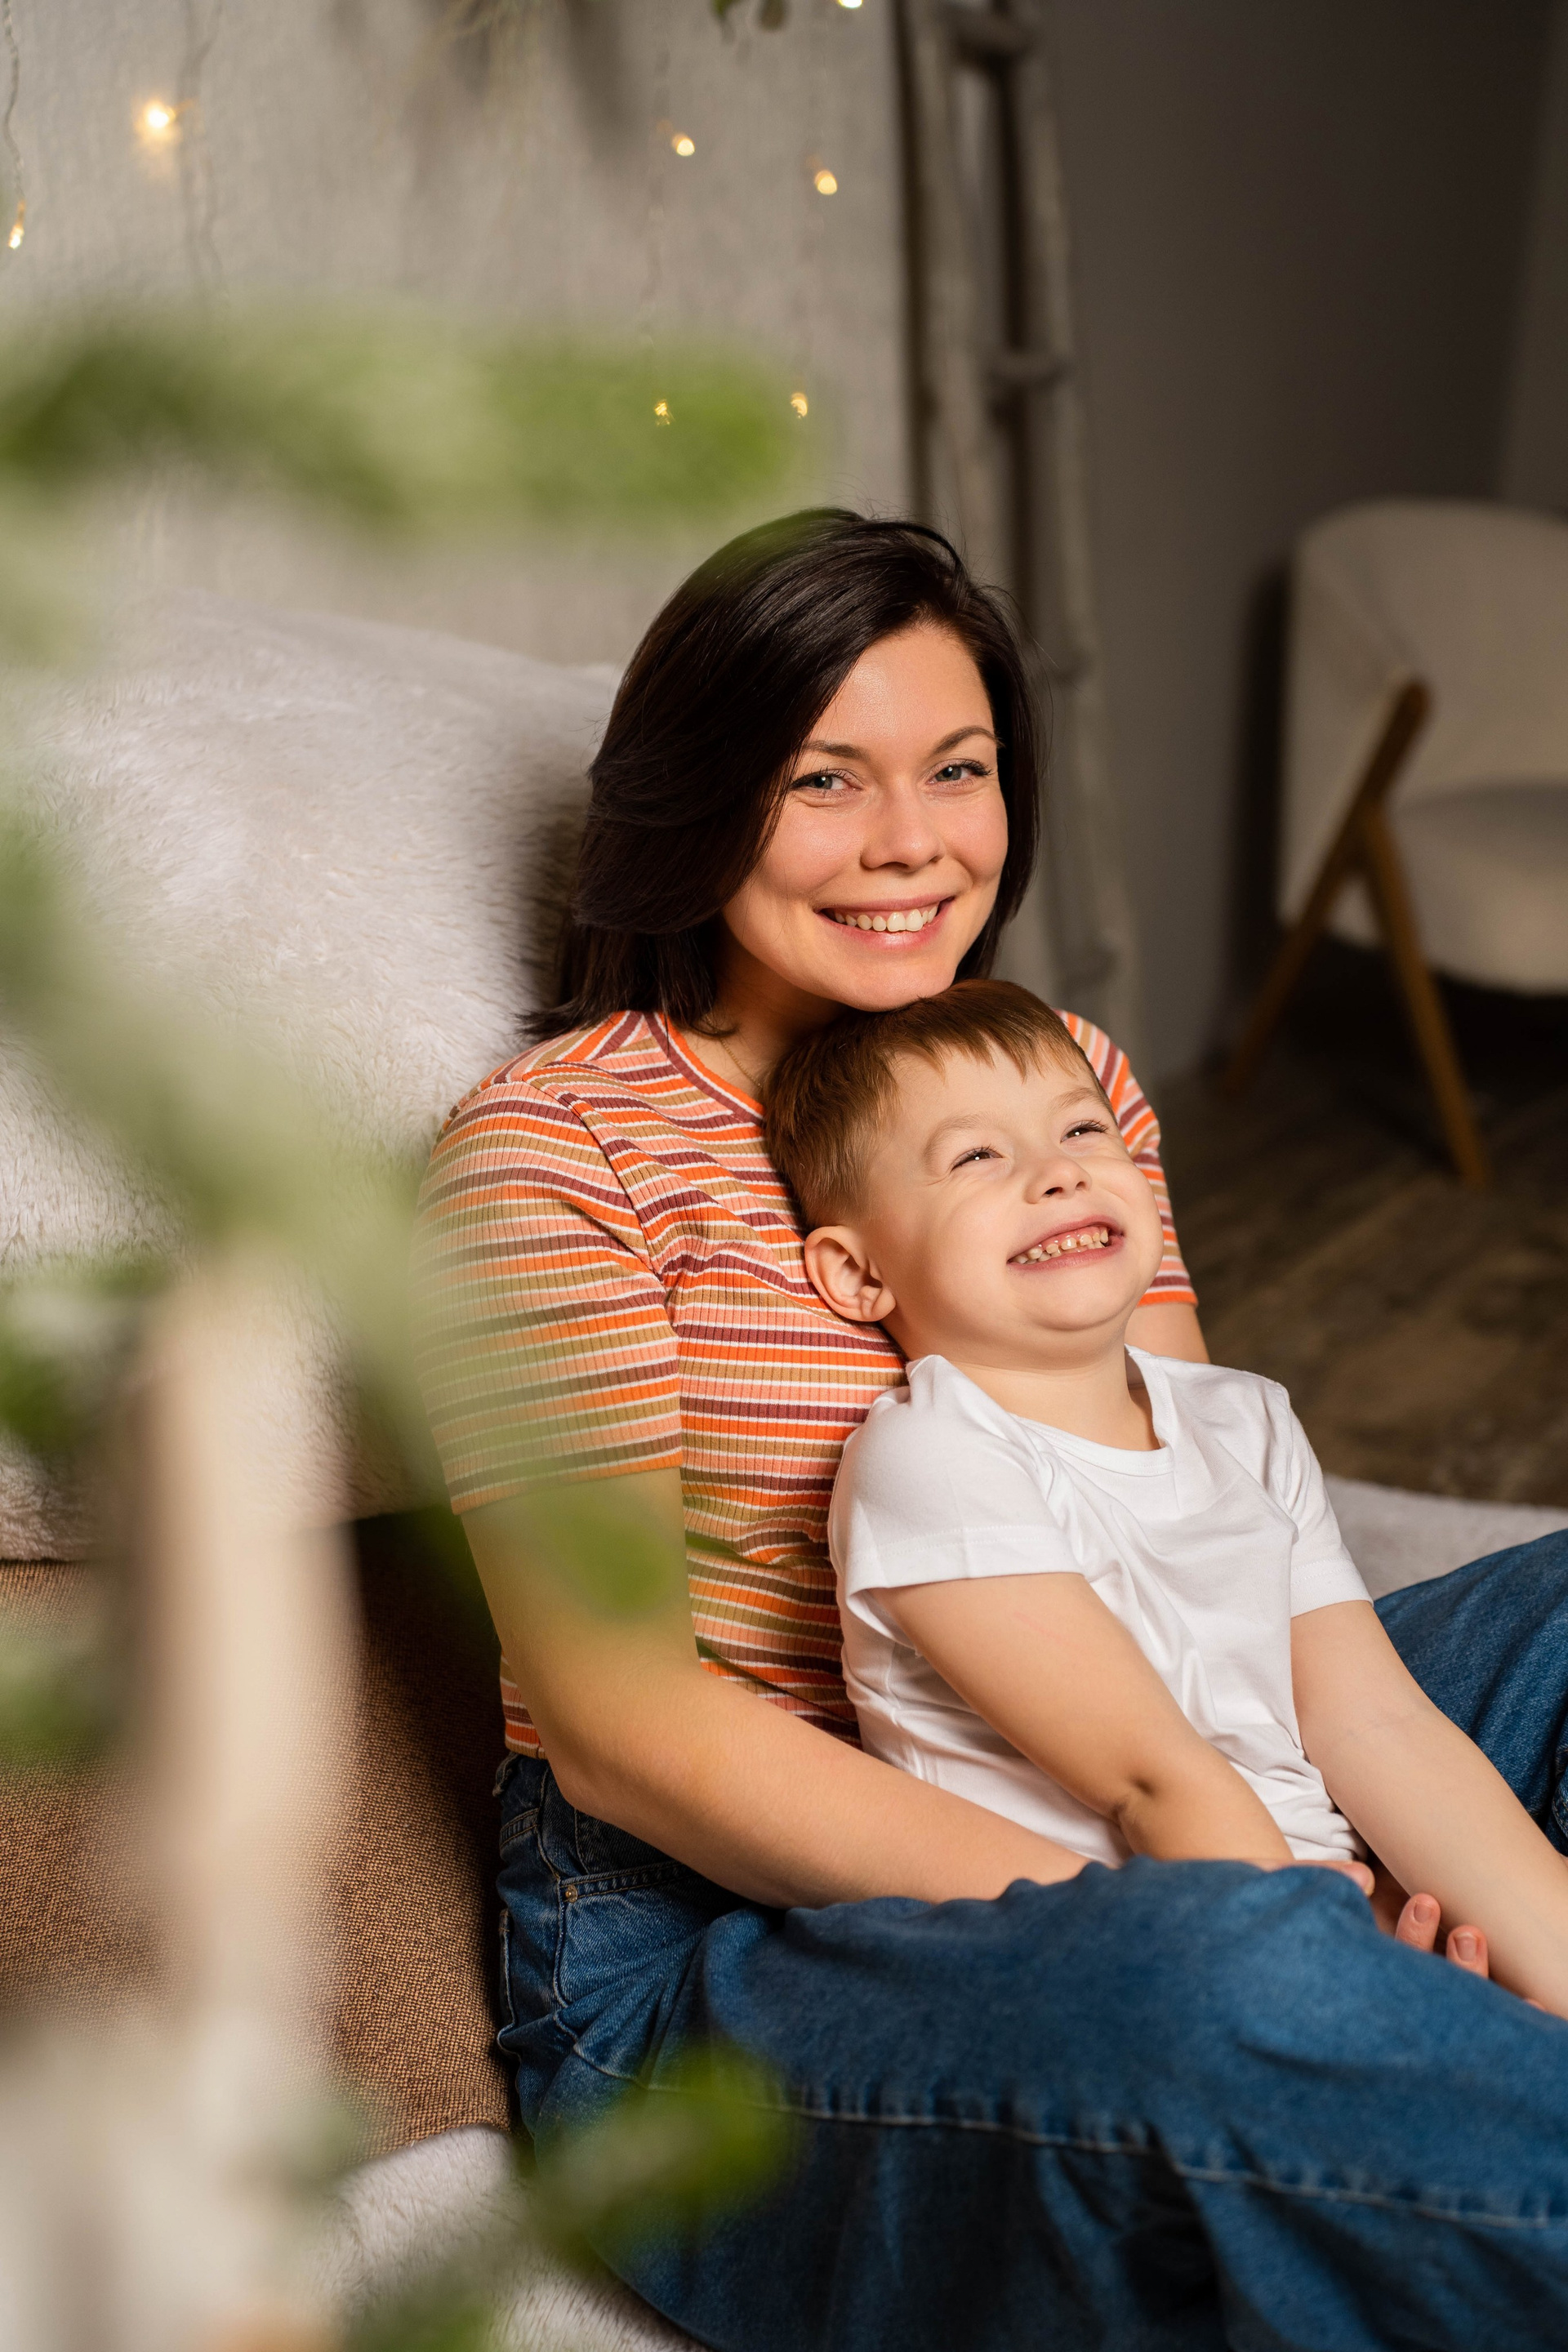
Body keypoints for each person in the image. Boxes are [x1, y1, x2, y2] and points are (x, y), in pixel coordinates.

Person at [414, 510, 1568, 2351]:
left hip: (1151, 1756)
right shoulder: (555, 1155)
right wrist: (1262, 1933)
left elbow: (1190, 1520)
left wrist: (1368, 1903)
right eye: (826, 780)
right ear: (699, 799)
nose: (913, 842)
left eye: (958, 769)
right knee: (1223, 1978)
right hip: (724, 1931)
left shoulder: (1061, 1074)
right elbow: (628, 1733)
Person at [771, 978, 1568, 2011]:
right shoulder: (932, 1457)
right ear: (857, 1274)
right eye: (976, 1157)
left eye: (1082, 1130)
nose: (1058, 1172)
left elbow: (1379, 1726)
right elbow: (1153, 1783)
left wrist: (1533, 1975)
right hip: (1117, 1958)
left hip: (1315, 1897)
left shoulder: (1245, 1418)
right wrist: (1360, 1991)